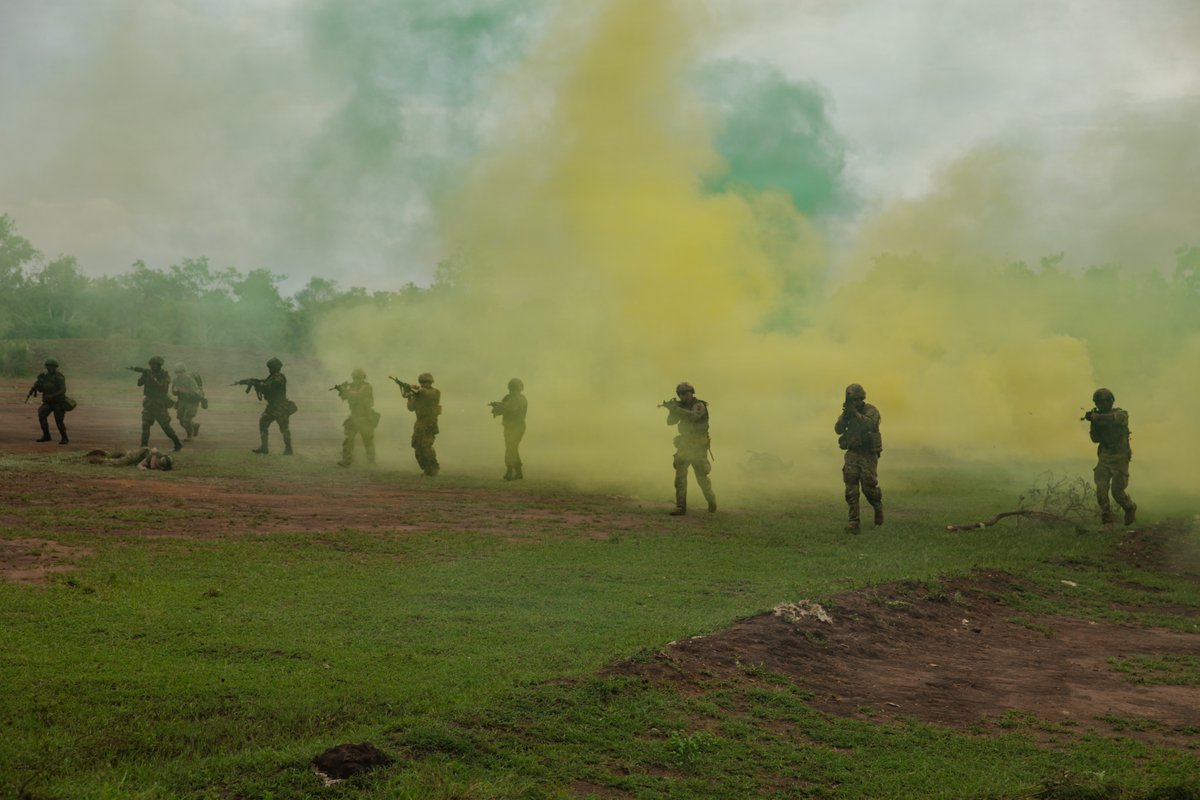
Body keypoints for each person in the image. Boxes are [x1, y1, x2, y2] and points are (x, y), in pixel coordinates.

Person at [1084, 388, 1136, 530]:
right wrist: (1094, 422)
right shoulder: (1097, 417)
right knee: (1101, 489)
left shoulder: (1121, 414)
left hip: (1120, 457)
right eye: (1099, 402)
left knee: (1117, 492)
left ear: (1111, 401)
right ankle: (1107, 521)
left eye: (1105, 402)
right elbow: (1094, 439)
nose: (1102, 405)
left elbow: (1114, 418)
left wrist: (1096, 417)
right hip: (1105, 456)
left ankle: (1129, 507)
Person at [835, 383, 883, 531]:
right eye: (852, 400)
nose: (855, 403)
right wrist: (845, 416)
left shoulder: (871, 410)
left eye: (857, 400)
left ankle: (877, 507)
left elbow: (870, 424)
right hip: (852, 453)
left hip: (867, 454)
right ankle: (853, 521)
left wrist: (855, 414)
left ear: (862, 398)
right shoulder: (848, 413)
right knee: (851, 488)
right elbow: (838, 429)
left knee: (869, 487)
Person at [663, 381, 716, 515]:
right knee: (680, 475)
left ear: (692, 393)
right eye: (680, 394)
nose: (682, 396)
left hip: (698, 446)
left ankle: (711, 500)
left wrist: (677, 409)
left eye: (685, 393)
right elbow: (670, 422)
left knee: (701, 477)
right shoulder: (680, 407)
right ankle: (680, 506)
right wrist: (671, 410)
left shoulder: (699, 405)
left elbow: (694, 416)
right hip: (685, 445)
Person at [138, 356, 183, 452]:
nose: (153, 366)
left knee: (165, 426)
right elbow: (139, 383)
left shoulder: (164, 375)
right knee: (145, 425)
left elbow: (163, 388)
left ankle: (177, 443)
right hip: (149, 403)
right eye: (152, 364)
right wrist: (144, 375)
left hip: (159, 404)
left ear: (159, 365)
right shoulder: (148, 373)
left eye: (155, 365)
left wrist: (152, 378)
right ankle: (144, 446)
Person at [334, 368, 378, 467]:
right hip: (354, 416)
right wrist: (342, 390)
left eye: (359, 378)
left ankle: (371, 462)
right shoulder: (351, 386)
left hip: (365, 416)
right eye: (355, 378)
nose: (357, 380)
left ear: (363, 377)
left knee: (368, 440)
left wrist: (345, 390)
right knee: (349, 439)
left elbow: (358, 395)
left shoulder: (366, 386)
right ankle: (346, 460)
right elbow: (345, 397)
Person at [252, 357, 294, 455]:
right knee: (263, 422)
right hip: (272, 406)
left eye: (270, 367)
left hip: (280, 407)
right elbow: (266, 384)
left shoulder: (279, 378)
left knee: (284, 428)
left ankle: (288, 449)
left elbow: (268, 387)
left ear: (275, 368)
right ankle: (264, 448)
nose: (269, 369)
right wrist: (257, 382)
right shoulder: (272, 376)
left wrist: (257, 385)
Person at [490, 378, 528, 480]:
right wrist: (496, 408)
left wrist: (499, 406)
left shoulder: (520, 399)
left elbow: (513, 408)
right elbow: (501, 411)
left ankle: (510, 471)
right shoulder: (509, 398)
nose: (512, 390)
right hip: (510, 426)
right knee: (512, 448)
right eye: (511, 388)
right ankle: (518, 472)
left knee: (511, 448)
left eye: (514, 388)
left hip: (517, 426)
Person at [406, 372, 441, 476]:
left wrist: (415, 389)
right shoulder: (419, 394)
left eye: (426, 382)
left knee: (426, 446)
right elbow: (411, 408)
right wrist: (409, 396)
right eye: (422, 382)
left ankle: (434, 468)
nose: (424, 384)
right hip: (420, 422)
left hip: (430, 422)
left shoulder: (435, 392)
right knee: (417, 446)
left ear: (431, 383)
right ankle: (426, 469)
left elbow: (427, 393)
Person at [28, 357, 70, 444]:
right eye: (48, 366)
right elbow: (41, 389)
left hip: (58, 402)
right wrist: (39, 383)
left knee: (59, 420)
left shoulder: (59, 377)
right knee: (41, 415)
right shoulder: (46, 377)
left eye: (52, 366)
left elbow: (63, 389)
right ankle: (46, 435)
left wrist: (52, 395)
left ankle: (64, 438)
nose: (50, 368)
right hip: (48, 402)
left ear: (55, 367)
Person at [171, 363, 205, 440]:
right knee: (181, 420)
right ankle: (194, 426)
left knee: (186, 419)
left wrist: (183, 391)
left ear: (184, 372)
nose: (179, 374)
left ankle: (190, 435)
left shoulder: (190, 380)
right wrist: (175, 391)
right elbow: (173, 392)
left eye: (180, 372)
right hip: (182, 401)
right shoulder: (175, 380)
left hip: (192, 402)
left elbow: (195, 392)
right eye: (177, 372)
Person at [85, 446, 174, 470]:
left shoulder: (164, 459)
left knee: (126, 454)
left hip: (139, 453)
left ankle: (106, 453)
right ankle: (98, 460)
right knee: (121, 462)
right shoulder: (151, 457)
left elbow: (154, 466)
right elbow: (140, 464)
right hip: (138, 454)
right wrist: (141, 467)